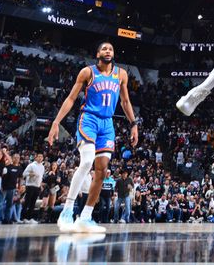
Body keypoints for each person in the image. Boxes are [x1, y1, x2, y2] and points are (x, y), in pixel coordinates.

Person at [47, 41, 139, 233]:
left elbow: (125, 101)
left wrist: (133, 124)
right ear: (98, 53)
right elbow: (71, 98)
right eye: (104, 48)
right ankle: (67, 211)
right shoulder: (87, 72)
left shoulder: (121, 74)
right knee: (87, 161)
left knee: (102, 170)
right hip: (88, 119)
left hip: (107, 124)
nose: (108, 51)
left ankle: (86, 217)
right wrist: (56, 122)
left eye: (111, 49)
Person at [0, 153, 22, 224]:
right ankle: (0, 218)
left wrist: (18, 190)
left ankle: (7, 219)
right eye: (15, 157)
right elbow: (1, 177)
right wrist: (0, 187)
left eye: (18, 157)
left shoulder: (19, 168)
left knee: (9, 205)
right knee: (1, 204)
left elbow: (20, 179)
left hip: (12, 189)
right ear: (12, 158)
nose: (16, 159)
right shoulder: (8, 166)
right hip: (4, 188)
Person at [21, 153, 44, 223]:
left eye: (41, 157)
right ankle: (23, 218)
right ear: (36, 157)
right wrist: (30, 174)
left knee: (33, 203)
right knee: (27, 202)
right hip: (30, 185)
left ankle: (30, 218)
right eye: (39, 156)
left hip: (37, 186)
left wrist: (40, 185)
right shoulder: (31, 165)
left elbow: (41, 176)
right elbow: (24, 174)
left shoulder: (42, 166)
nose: (40, 158)